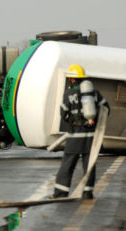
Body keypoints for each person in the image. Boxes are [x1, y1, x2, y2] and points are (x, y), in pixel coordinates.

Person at [53, 64, 109, 199]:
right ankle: (87, 192)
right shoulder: (94, 93)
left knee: (67, 165)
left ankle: (61, 193)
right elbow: (106, 108)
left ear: (72, 80)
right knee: (89, 165)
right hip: (90, 137)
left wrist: (70, 122)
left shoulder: (68, 94)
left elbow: (63, 112)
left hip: (75, 136)